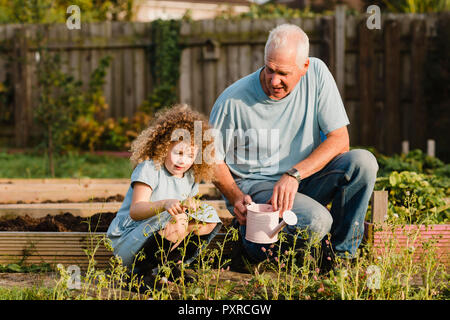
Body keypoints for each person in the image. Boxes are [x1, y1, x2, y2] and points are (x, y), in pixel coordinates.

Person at [209, 24, 378, 272]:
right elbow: (209, 157)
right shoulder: (233, 100)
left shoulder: (318, 73)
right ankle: (252, 248)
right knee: (316, 221)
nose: (273, 80)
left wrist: (294, 174)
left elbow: (340, 140)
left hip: (303, 179)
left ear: (305, 67)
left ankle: (339, 259)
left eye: (283, 74)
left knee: (363, 163)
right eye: (269, 69)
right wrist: (234, 196)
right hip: (259, 189)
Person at [107, 104, 222, 289]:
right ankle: (140, 274)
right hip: (129, 242)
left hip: (159, 235)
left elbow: (188, 212)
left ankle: (169, 266)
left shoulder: (191, 176)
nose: (182, 160)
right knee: (179, 220)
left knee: (207, 217)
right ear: (164, 147)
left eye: (190, 155)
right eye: (178, 152)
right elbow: (136, 211)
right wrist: (165, 204)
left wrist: (191, 205)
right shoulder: (150, 169)